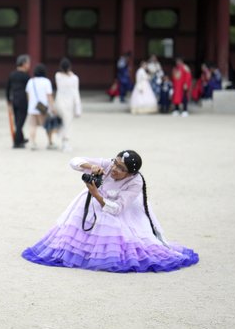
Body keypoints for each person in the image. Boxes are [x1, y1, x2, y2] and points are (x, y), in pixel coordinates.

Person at [22, 150, 199, 272]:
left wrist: (96, 194)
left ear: (130, 174)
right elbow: (73, 161)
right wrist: (90, 166)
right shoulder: (108, 165)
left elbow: (117, 209)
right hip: (93, 205)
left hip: (117, 211)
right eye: (116, 162)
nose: (114, 169)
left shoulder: (135, 182)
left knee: (119, 238)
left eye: (121, 169)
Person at [53, 58, 81, 152]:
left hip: (59, 102)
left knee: (62, 123)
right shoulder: (74, 78)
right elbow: (76, 92)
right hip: (69, 103)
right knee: (67, 124)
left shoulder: (57, 76)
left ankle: (63, 140)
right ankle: (65, 143)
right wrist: (78, 107)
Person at [25, 63, 55, 150]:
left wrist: (31, 105)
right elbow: (49, 96)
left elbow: (28, 96)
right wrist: (52, 107)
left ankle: (33, 143)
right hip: (43, 108)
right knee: (48, 126)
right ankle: (50, 143)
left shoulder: (31, 81)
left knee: (32, 126)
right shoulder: (46, 82)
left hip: (32, 108)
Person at [6, 54, 31, 148]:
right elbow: (29, 90)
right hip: (23, 101)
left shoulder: (12, 74)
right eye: (28, 63)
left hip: (14, 100)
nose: (29, 65)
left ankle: (21, 139)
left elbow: (7, 88)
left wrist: (8, 100)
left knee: (17, 121)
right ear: (24, 64)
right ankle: (16, 142)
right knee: (20, 122)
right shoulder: (26, 77)